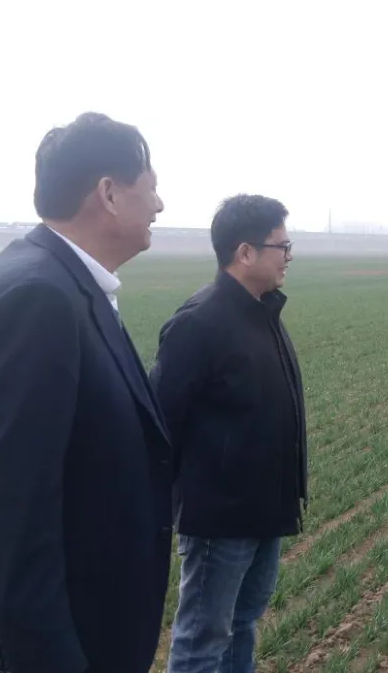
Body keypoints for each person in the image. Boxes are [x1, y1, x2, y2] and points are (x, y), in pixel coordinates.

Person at [0, 112, 171, 673]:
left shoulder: (61, 283)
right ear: (109, 193)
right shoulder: (36, 300)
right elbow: (12, 527)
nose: (160, 205)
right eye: (151, 187)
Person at [149, 194, 306, 673]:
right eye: (281, 246)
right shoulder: (198, 323)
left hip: (265, 510)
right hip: (220, 522)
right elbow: (161, 424)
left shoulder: (263, 312)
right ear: (245, 253)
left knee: (241, 625)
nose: (289, 256)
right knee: (202, 642)